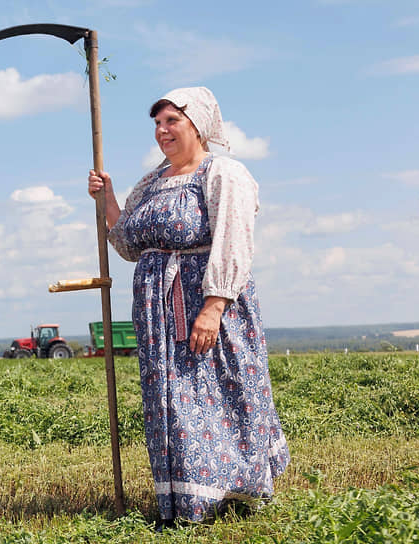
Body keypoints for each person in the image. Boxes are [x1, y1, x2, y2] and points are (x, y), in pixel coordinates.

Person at [88, 87, 289, 524]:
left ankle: (237, 493)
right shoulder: (152, 182)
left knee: (221, 393)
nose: (162, 131)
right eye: (157, 124)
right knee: (173, 401)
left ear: (197, 125)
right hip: (158, 318)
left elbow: (234, 241)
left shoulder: (223, 173)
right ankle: (188, 502)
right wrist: (108, 200)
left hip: (209, 306)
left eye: (171, 121)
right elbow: (126, 244)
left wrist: (213, 307)